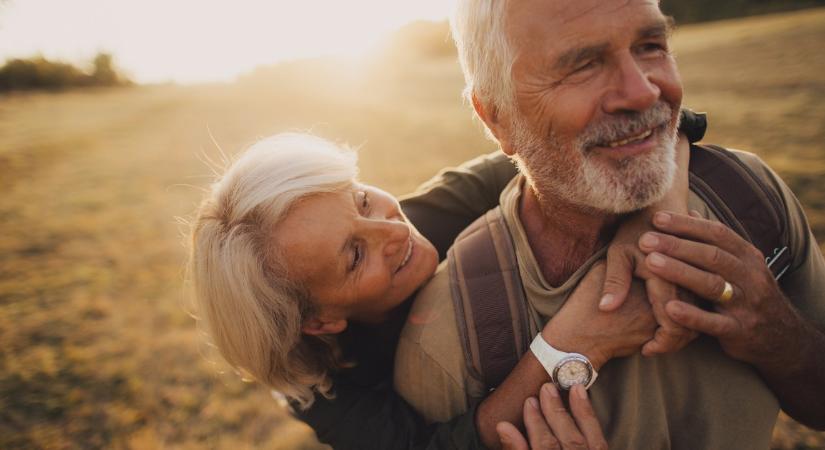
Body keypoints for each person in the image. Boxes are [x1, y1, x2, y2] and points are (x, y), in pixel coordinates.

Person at [394, 0, 825, 448]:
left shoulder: (749, 196)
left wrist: (778, 335)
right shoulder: (449, 335)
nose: (643, 92)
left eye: (651, 45)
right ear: (496, 117)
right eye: (581, 65)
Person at [188, 119, 703, 449]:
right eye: (354, 254)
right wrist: (570, 346)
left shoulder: (427, 213)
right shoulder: (318, 388)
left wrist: (655, 223)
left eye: (362, 200)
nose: (393, 229)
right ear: (320, 320)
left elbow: (637, 125)